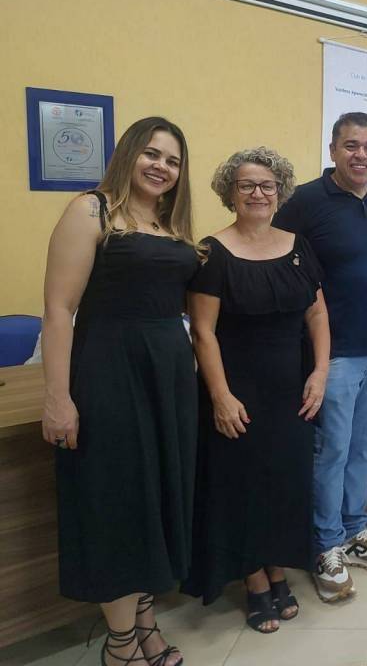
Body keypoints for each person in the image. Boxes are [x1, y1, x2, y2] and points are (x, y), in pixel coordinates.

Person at [41, 117, 200, 666]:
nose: (162, 167)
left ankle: (144, 620)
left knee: (157, 501)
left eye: (173, 160)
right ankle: (120, 645)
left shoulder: (167, 223)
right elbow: (58, 310)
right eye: (152, 154)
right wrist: (58, 397)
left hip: (168, 378)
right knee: (119, 504)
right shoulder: (92, 210)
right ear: (129, 153)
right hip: (109, 372)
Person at [184, 148, 330, 633]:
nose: (258, 193)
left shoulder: (298, 246)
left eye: (267, 185)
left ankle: (279, 569)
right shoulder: (212, 253)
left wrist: (320, 372)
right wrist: (220, 395)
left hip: (292, 388)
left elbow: (317, 313)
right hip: (238, 390)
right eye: (246, 185)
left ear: (280, 192)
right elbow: (203, 332)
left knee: (285, 484)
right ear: (230, 193)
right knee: (242, 486)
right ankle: (254, 580)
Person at [273, 112, 367, 603]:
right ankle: (325, 545)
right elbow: (280, 264)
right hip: (334, 354)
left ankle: (354, 530)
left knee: (363, 446)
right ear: (332, 150)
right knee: (331, 451)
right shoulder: (305, 202)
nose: (361, 155)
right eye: (351, 146)